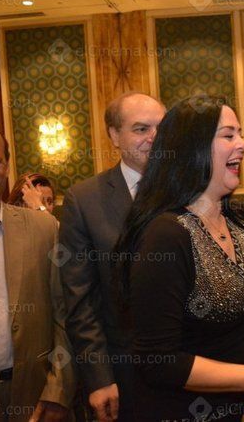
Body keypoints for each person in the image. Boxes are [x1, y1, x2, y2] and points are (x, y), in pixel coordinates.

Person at [114, 95, 244, 421]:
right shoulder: (166, 235)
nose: (243, 144)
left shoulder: (238, 222)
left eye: (240, 133)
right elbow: (159, 360)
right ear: (191, 148)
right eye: (228, 135)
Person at [59, 92, 165, 422]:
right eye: (141, 129)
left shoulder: (190, 191)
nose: (154, 138)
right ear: (114, 135)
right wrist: (99, 377)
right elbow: (81, 301)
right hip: (125, 371)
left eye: (161, 128)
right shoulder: (84, 200)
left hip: (195, 365)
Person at [0, 123, 75, 421]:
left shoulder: (43, 228)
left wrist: (57, 392)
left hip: (38, 396)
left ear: (6, 166)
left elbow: (64, 315)